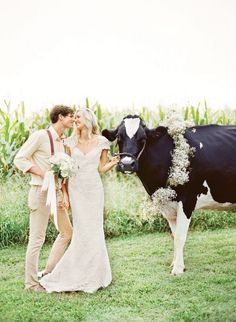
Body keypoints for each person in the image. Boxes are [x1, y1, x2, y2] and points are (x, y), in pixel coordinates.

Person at [40, 108, 120, 293]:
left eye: (78, 116)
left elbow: (101, 168)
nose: (75, 119)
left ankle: (96, 273)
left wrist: (113, 163)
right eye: (73, 117)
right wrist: (66, 194)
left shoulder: (102, 142)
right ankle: (75, 272)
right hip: (76, 191)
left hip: (94, 190)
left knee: (94, 230)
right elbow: (66, 172)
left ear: (88, 119)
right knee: (81, 231)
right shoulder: (70, 142)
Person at [14, 105, 75, 292]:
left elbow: (63, 174)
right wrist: (42, 173)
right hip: (40, 193)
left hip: (56, 194)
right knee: (37, 239)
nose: (73, 119)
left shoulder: (63, 142)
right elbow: (20, 159)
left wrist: (64, 194)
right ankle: (31, 284)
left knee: (67, 232)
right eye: (70, 116)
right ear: (60, 117)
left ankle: (49, 272)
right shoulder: (40, 136)